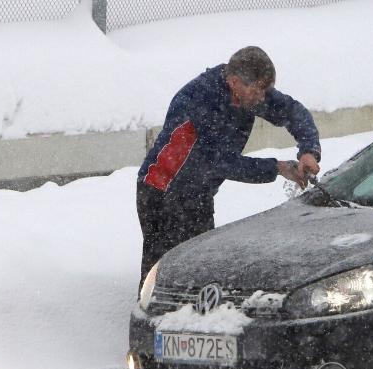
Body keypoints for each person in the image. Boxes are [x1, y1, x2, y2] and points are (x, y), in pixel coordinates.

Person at [136, 46, 320, 289]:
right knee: (164, 275)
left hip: (198, 194)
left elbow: (293, 112)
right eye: (257, 91)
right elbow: (220, 162)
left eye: (265, 91)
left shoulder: (249, 92)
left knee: (199, 272)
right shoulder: (200, 100)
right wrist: (276, 167)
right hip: (162, 191)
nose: (262, 98)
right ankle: (153, 312)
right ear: (234, 82)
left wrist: (308, 150)